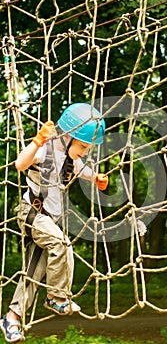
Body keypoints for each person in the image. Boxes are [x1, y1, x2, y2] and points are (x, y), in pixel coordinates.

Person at [0, 103, 108, 343]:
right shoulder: (45, 149)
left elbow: (83, 171)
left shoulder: (72, 159)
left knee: (33, 273)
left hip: (48, 221)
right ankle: (56, 297)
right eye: (82, 146)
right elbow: (20, 164)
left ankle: (11, 318)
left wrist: (96, 178)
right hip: (31, 214)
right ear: (68, 137)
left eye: (87, 148)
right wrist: (37, 140)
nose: (84, 152)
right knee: (62, 243)